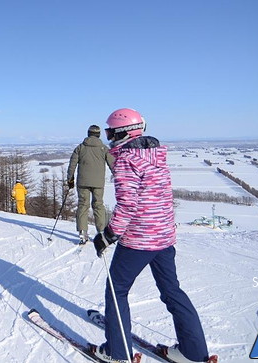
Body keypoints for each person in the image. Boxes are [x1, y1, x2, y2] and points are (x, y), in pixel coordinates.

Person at [91, 108, 210, 363]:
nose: (109, 137)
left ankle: (117, 352)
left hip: (139, 240)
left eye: (111, 132)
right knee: (171, 291)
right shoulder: (155, 155)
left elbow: (127, 205)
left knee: (116, 290)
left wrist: (108, 234)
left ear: (122, 132)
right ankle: (193, 352)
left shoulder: (126, 160)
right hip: (164, 237)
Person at [67, 124, 114, 244]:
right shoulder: (103, 148)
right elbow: (113, 164)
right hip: (98, 183)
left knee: (83, 205)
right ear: (98, 135)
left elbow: (72, 164)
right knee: (98, 205)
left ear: (88, 134)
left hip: (83, 182)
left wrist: (70, 179)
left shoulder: (80, 148)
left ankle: (83, 233)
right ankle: (101, 232)